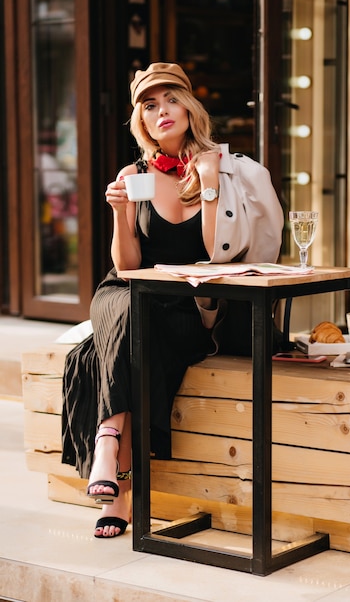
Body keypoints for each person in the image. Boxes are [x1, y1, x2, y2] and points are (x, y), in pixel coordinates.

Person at [62, 62, 284, 540]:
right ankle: (109, 453)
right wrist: (121, 214)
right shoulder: (134, 174)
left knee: (121, 340)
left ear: (189, 107)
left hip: (184, 309)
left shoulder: (223, 169)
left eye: (171, 100)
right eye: (149, 106)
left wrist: (206, 183)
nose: (161, 111)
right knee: (125, 307)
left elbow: (214, 251)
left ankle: (113, 469)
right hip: (125, 291)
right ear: (140, 122)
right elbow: (126, 268)